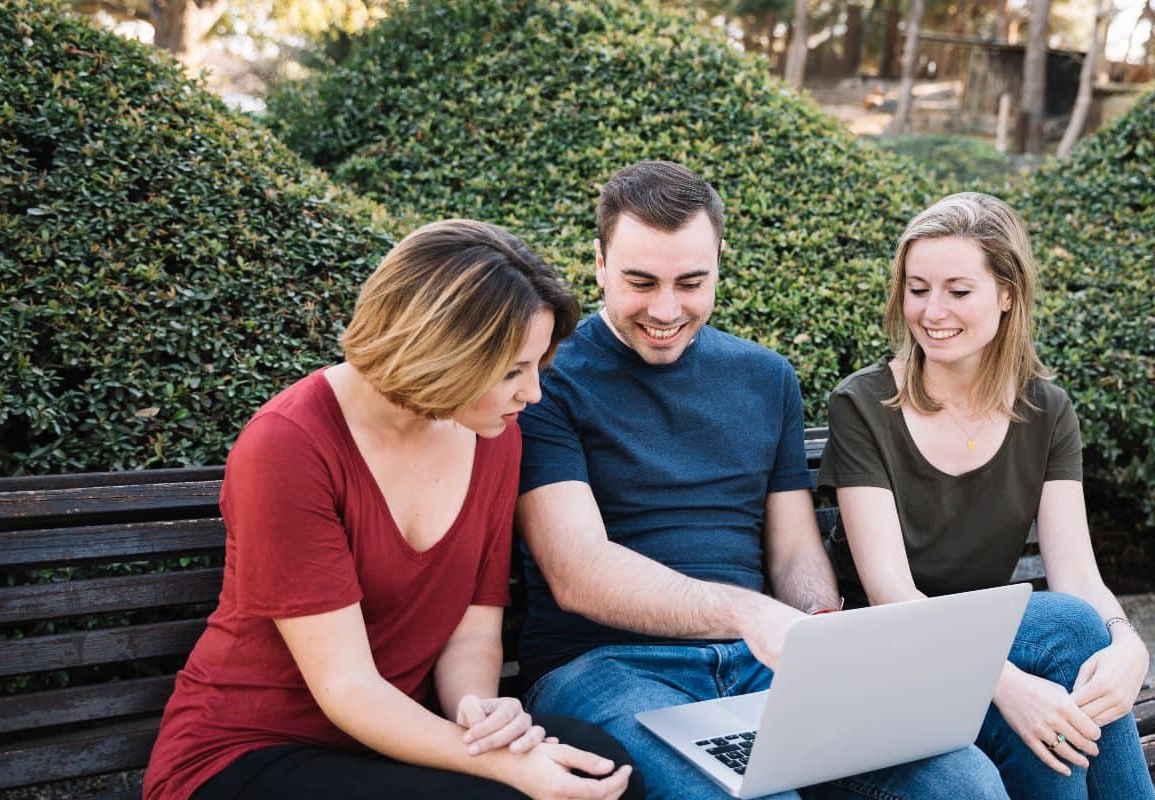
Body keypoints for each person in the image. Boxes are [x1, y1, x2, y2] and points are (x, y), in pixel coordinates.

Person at [515, 161, 1011, 800]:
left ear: (721, 260)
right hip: (607, 667)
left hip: (765, 667)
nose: (666, 310)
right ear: (600, 263)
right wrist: (746, 612)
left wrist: (818, 623)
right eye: (641, 282)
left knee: (960, 782)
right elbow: (577, 571)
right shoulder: (547, 381)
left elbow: (794, 549)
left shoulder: (764, 378)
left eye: (691, 282)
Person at [143, 220, 640, 800]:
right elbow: (346, 686)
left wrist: (478, 718)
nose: (532, 394)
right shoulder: (288, 445)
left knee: (596, 762)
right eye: (510, 372)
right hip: (247, 753)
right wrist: (501, 767)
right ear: (440, 356)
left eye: (537, 367)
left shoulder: (494, 435)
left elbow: (473, 631)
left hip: (392, 741)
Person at [818, 191, 1154, 800]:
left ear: (1007, 294)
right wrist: (1005, 683)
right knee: (1065, 640)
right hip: (891, 654)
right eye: (917, 289)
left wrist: (1129, 645)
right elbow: (889, 591)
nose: (932, 311)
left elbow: (1076, 570)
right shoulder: (862, 404)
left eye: (957, 290)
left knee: (1077, 666)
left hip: (988, 651)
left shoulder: (1045, 411)